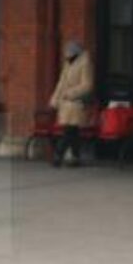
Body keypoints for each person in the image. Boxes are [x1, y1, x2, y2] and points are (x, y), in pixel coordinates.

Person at [47, 39, 93, 168]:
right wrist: (54, 99)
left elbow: (87, 85)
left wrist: (71, 93)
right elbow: (61, 83)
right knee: (73, 132)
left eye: (70, 53)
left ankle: (58, 155)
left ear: (76, 53)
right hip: (65, 104)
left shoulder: (85, 63)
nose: (67, 56)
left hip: (76, 103)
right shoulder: (68, 64)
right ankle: (75, 157)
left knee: (69, 131)